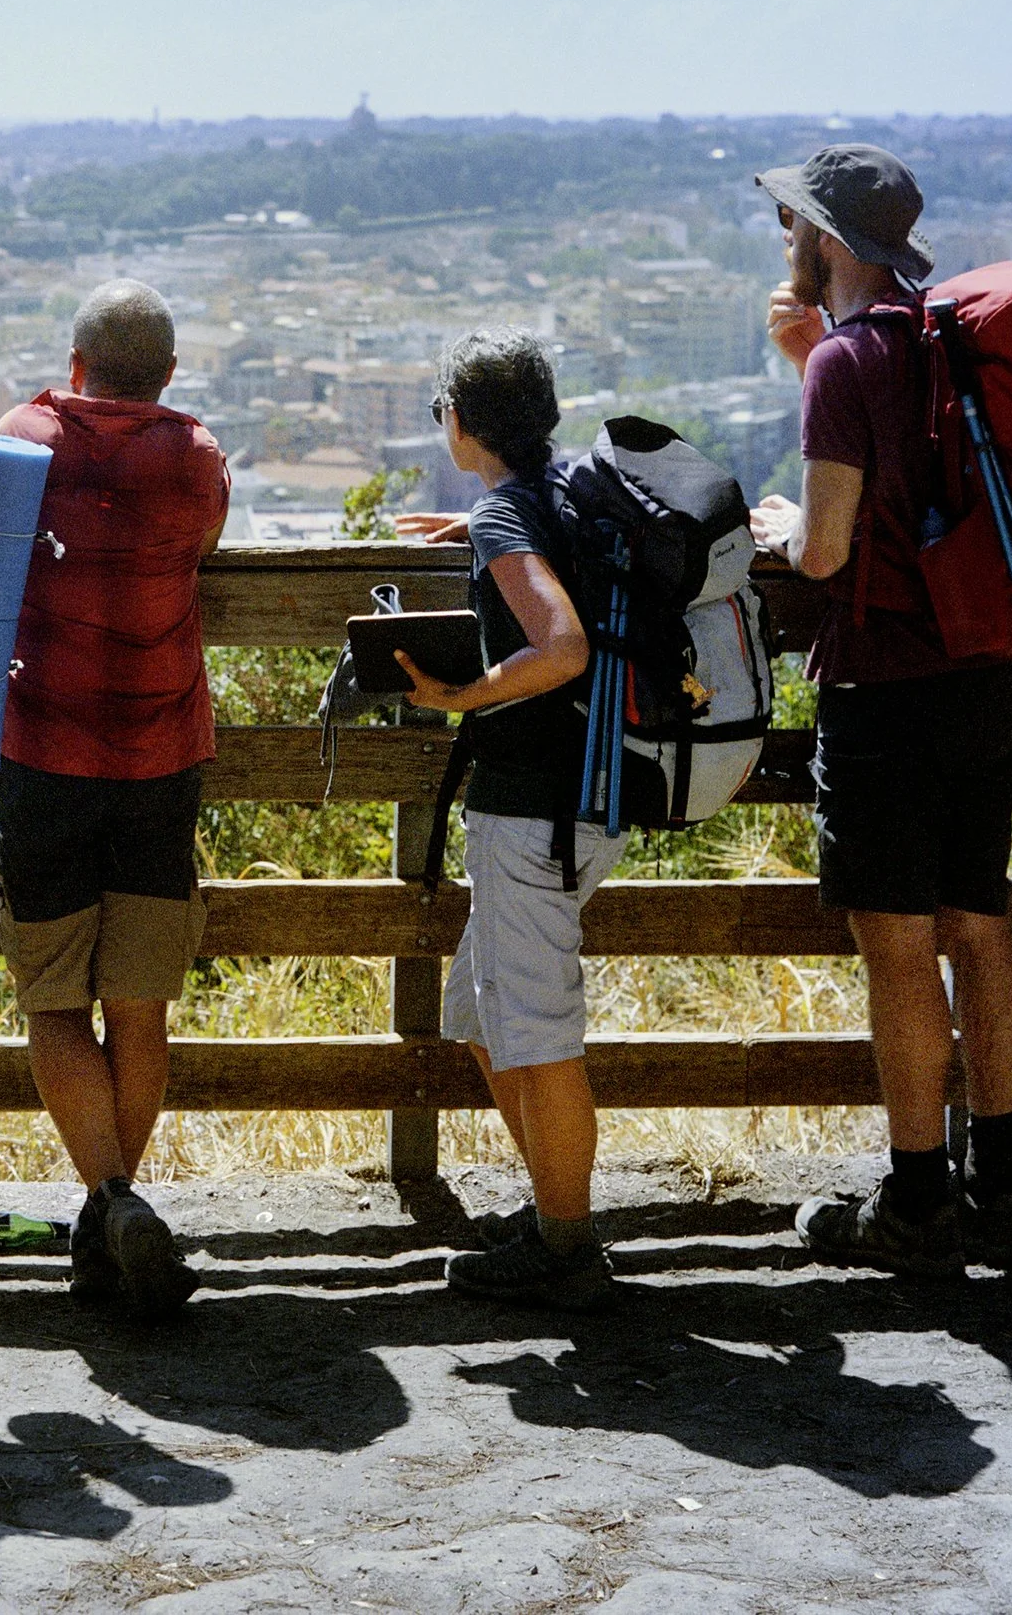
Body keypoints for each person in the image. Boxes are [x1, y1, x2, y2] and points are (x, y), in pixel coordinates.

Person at [748, 144, 1012, 1276]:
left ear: (826, 241)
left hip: (883, 685)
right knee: (980, 925)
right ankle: (997, 1184)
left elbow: (823, 548)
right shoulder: (949, 337)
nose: (785, 248)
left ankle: (916, 1204)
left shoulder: (845, 364)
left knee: (900, 952)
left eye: (791, 231)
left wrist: (779, 533)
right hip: (982, 672)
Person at [0, 279, 230, 1317]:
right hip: (159, 754)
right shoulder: (196, 457)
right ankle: (117, 1213)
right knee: (140, 1001)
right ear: (168, 373)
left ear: (75, 361)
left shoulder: (23, 433)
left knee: (52, 993)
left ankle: (108, 1200)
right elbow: (204, 549)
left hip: (43, 748)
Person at [392, 330, 616, 1312]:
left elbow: (560, 644)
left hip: (532, 807)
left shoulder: (506, 520)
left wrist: (461, 696)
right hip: (592, 792)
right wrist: (476, 528)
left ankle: (567, 1245)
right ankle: (551, 1207)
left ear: (459, 418)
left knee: (535, 1026)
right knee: (481, 1015)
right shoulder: (560, 494)